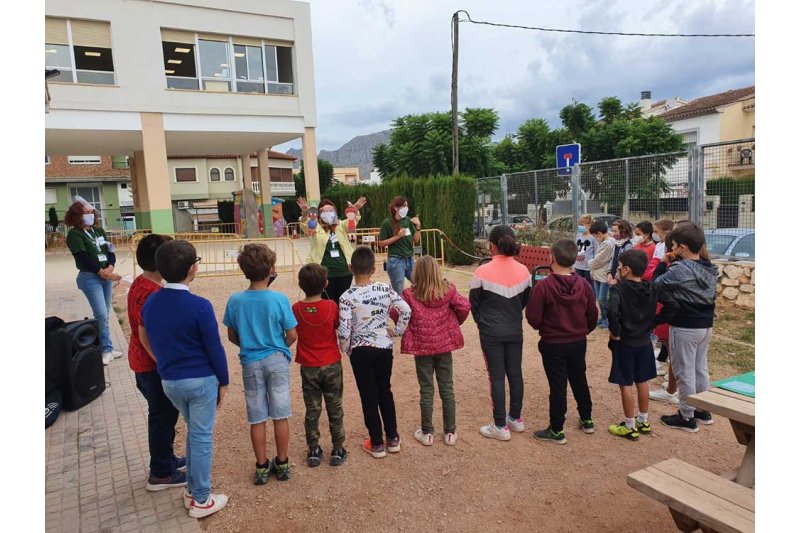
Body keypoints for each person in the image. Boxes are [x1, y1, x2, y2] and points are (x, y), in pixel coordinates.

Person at [141, 240, 229, 518]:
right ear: (193, 268)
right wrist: (223, 380)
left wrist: (162, 361)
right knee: (202, 437)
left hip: (170, 381)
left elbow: (144, 335)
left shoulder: (152, 300)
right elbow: (213, 347)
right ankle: (202, 499)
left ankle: (192, 489)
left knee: (194, 431)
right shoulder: (199, 305)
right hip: (200, 380)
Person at [223, 244, 298, 484]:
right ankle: (283, 462)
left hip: (250, 361)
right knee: (281, 413)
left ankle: (262, 466)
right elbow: (292, 334)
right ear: (271, 269)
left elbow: (232, 335)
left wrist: (248, 345)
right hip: (276, 359)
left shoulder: (235, 300)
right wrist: (281, 346)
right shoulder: (279, 299)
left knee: (256, 416)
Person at [127, 234, 187, 491]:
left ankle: (167, 459)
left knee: (166, 416)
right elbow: (146, 335)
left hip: (150, 364)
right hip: (152, 366)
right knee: (161, 418)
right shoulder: (150, 294)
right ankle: (160, 473)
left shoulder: (144, 284)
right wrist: (164, 363)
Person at [338, 247, 411, 458]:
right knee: (384, 391)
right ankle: (393, 437)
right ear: (374, 268)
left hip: (360, 350)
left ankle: (377, 442)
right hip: (383, 347)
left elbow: (344, 328)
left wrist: (345, 347)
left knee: (368, 394)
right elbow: (406, 310)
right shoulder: (385, 289)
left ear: (350, 268)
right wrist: (397, 331)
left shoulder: (346, 297)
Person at [526, 239, 597, 444]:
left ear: (552, 258)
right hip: (577, 340)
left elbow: (533, 316)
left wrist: (545, 328)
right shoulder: (583, 285)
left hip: (553, 342)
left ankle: (557, 429)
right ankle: (587, 418)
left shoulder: (544, 286)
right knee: (579, 378)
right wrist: (582, 330)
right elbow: (592, 314)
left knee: (557, 385)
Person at [396, 256, 470, 447]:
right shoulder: (449, 290)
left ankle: (427, 432)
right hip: (444, 346)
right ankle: (450, 432)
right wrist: (454, 322)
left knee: (426, 389)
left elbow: (396, 313)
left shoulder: (409, 294)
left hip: (422, 348)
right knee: (447, 388)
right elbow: (464, 306)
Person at [653, 222, 718, 432]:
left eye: (672, 246)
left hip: (685, 326)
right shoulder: (709, 267)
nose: (670, 250)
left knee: (684, 371)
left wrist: (663, 263)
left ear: (682, 247)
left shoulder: (680, 269)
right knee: (700, 369)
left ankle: (686, 416)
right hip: (704, 326)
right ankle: (702, 409)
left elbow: (657, 284)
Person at [606, 250, 678, 440]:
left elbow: (612, 312)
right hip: (644, 341)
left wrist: (615, 332)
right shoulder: (652, 287)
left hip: (625, 343)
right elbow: (672, 305)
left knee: (625, 383)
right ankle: (643, 420)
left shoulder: (618, 289)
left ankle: (629, 425)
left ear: (627, 270)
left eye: (620, 267)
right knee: (642, 380)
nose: (618, 270)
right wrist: (654, 321)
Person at [470, 225, 532, 441]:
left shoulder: (481, 271)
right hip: (514, 328)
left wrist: (483, 323)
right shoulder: (524, 271)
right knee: (515, 372)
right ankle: (515, 418)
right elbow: (524, 301)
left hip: (491, 331)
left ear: (491, 246)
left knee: (496, 375)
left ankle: (499, 425)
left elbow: (474, 304)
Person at [292, 263, 348, 467]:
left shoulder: (296, 308)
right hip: (331, 362)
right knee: (335, 406)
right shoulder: (332, 306)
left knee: (312, 409)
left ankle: (314, 449)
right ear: (326, 283)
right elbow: (337, 326)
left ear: (300, 284)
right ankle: (337, 448)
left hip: (308, 365)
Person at [64, 199, 122, 364]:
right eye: (86, 213)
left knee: (105, 314)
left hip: (105, 277)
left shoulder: (99, 231)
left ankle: (107, 347)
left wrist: (110, 266)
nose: (90, 215)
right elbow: (83, 258)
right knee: (101, 314)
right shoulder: (75, 234)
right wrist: (101, 272)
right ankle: (105, 349)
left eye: (91, 213)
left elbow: (110, 250)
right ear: (77, 215)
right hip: (90, 278)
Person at [297, 196, 366, 303]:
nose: (328, 213)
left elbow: (353, 221)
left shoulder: (341, 225)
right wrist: (305, 213)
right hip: (322, 274)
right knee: (326, 302)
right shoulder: (315, 226)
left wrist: (355, 208)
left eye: (330, 210)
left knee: (342, 303)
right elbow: (305, 226)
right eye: (324, 211)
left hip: (344, 271)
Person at [378, 196, 422, 294]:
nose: (407, 208)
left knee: (420, 284)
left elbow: (416, 239)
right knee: (398, 291)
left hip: (410, 259)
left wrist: (418, 226)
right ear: (396, 208)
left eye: (407, 206)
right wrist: (397, 236)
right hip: (396, 261)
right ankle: (398, 309)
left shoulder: (408, 220)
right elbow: (381, 243)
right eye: (404, 206)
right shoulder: (387, 223)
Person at [587, 220, 614, 329]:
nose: (595, 238)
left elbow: (598, 261)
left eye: (594, 235)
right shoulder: (603, 242)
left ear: (599, 233)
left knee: (603, 298)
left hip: (603, 275)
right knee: (599, 298)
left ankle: (607, 318)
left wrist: (589, 262)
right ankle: (603, 317)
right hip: (598, 274)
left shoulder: (608, 243)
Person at [608, 219, 634, 286]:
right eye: (612, 231)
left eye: (615, 231)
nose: (613, 234)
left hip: (621, 279)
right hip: (613, 276)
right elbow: (612, 259)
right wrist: (609, 272)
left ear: (624, 232)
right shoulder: (617, 244)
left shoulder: (628, 246)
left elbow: (625, 264)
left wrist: (617, 279)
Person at [574, 214, 597, 283]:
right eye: (579, 224)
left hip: (588, 268)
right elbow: (575, 249)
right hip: (577, 266)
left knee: (589, 286)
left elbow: (596, 252)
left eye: (582, 225)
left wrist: (593, 269)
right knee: (579, 285)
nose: (580, 226)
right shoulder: (578, 235)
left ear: (589, 225)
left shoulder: (593, 238)